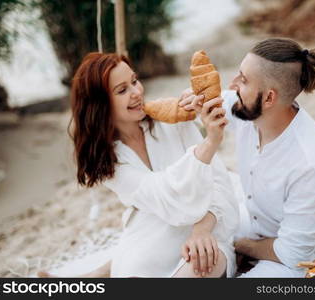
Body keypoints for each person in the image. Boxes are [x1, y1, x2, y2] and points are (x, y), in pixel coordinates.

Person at [39, 52, 239, 278]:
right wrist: (210, 142)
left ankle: (97, 274)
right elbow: (163, 194)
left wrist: (202, 230)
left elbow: (219, 182)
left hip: (208, 221)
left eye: (134, 81)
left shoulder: (171, 119)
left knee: (201, 267)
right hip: (159, 227)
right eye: (122, 90)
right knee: (131, 271)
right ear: (101, 105)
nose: (137, 93)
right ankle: (98, 275)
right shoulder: (108, 161)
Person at [180, 38, 315, 277]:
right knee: (184, 232)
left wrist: (237, 244)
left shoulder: (312, 164)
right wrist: (194, 101)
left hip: (306, 262)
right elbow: (210, 100)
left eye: (244, 80)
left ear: (269, 98)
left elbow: (293, 254)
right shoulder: (249, 107)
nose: (233, 84)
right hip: (257, 221)